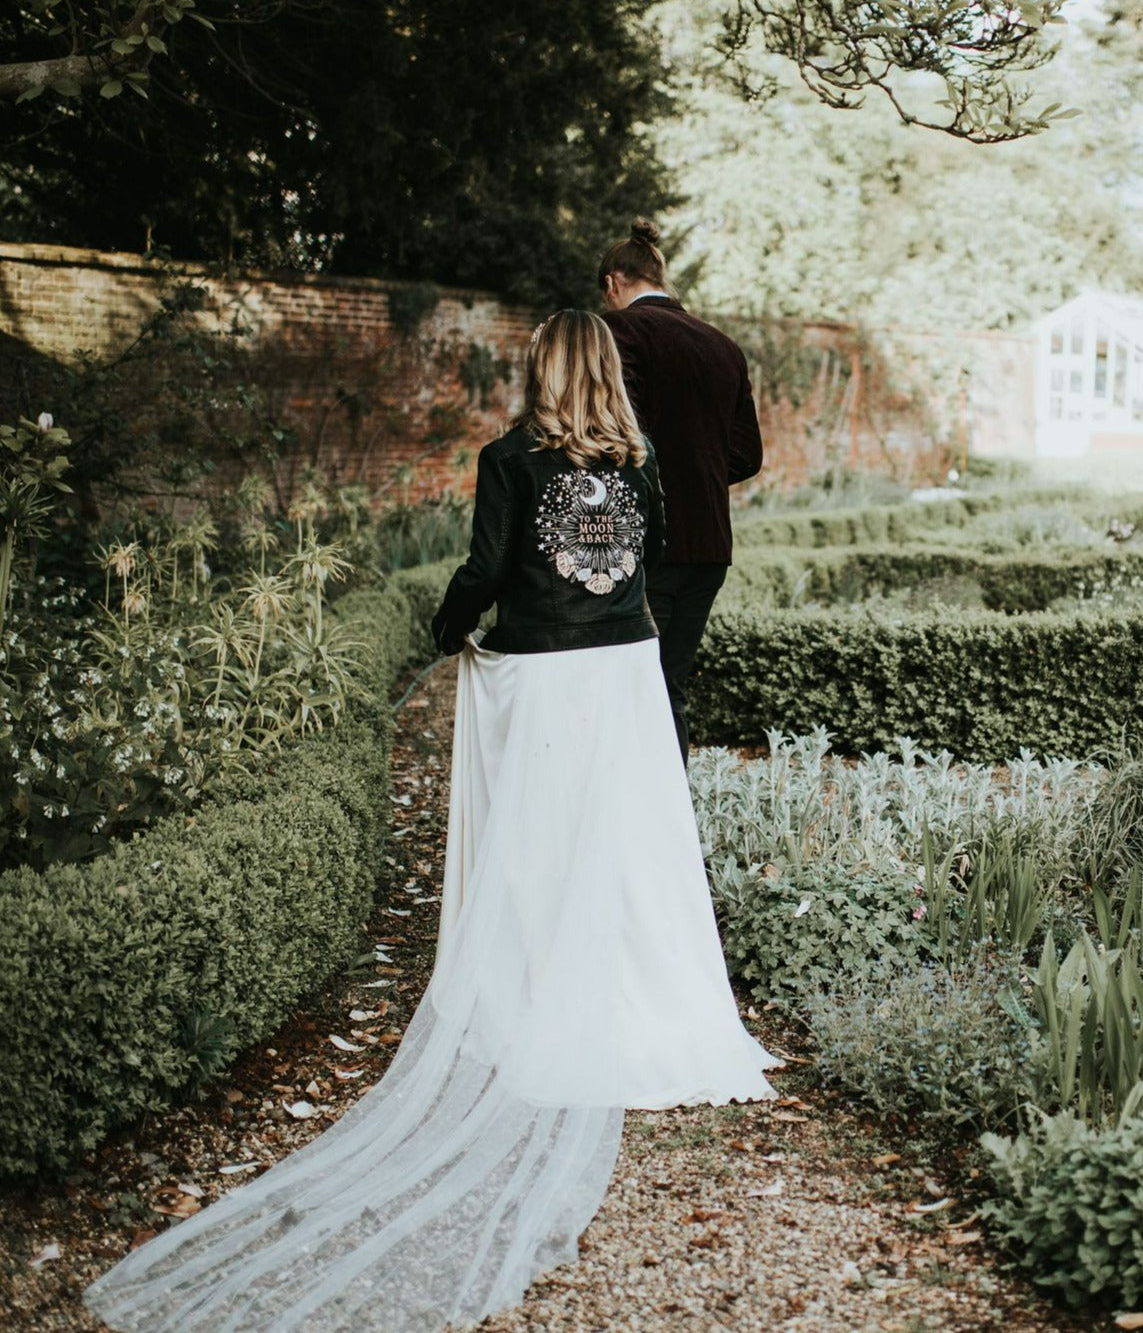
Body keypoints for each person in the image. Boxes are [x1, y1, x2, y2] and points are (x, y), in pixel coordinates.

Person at [83, 309, 777, 1333]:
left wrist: (443, 633)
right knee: (627, 841)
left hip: (541, 672)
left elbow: (490, 569)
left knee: (537, 844)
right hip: (623, 671)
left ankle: (539, 980)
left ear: (541, 369)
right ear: (609, 375)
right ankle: (645, 992)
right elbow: (643, 567)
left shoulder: (508, 458)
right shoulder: (633, 464)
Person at [601, 218, 763, 765]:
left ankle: (637, 824)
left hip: (651, 543)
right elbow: (748, 455)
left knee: (629, 689)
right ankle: (670, 824)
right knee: (668, 685)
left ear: (613, 283)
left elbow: (623, 431)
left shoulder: (621, 331)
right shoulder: (725, 346)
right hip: (710, 547)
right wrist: (701, 474)